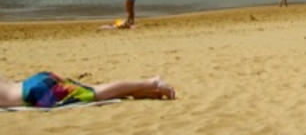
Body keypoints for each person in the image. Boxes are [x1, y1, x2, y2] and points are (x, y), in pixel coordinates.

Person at [0, 72, 175, 108]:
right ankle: (139, 90)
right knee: (92, 90)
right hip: (35, 81)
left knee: (96, 92)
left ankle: (151, 82)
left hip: (35, 92)